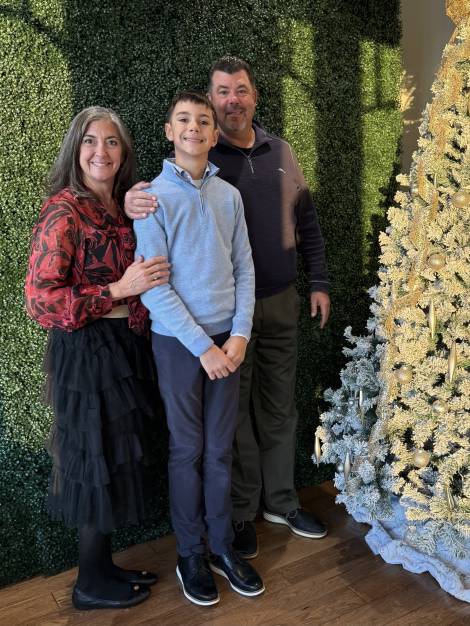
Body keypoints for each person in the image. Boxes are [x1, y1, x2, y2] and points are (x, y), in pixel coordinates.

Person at [125, 57, 331, 560]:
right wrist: (131, 199)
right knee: (228, 424)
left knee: (279, 407)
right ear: (209, 107)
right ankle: (239, 514)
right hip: (217, 320)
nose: (232, 99)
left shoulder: (281, 152)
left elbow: (305, 219)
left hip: (276, 302)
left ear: (253, 97)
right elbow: (155, 243)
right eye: (222, 92)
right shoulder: (191, 166)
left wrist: (319, 280)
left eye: (241, 90)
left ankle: (280, 503)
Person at [25, 106, 171, 610]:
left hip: (124, 345)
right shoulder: (64, 210)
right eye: (90, 141)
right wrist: (115, 290)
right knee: (93, 460)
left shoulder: (120, 206)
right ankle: (88, 584)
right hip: (87, 350)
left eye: (111, 142)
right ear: (76, 149)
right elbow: (40, 300)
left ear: (123, 153)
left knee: (111, 456)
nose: (100, 151)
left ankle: (103, 567)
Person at [133, 91, 264, 607]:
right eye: (184, 120)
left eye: (203, 121)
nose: (194, 128)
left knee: (219, 450)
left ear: (214, 134)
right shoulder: (152, 198)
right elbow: (153, 288)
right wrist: (202, 347)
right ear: (170, 131)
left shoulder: (228, 196)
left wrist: (239, 334)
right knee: (187, 450)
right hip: (179, 345)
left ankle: (221, 548)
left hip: (228, 343)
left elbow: (245, 268)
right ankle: (190, 552)